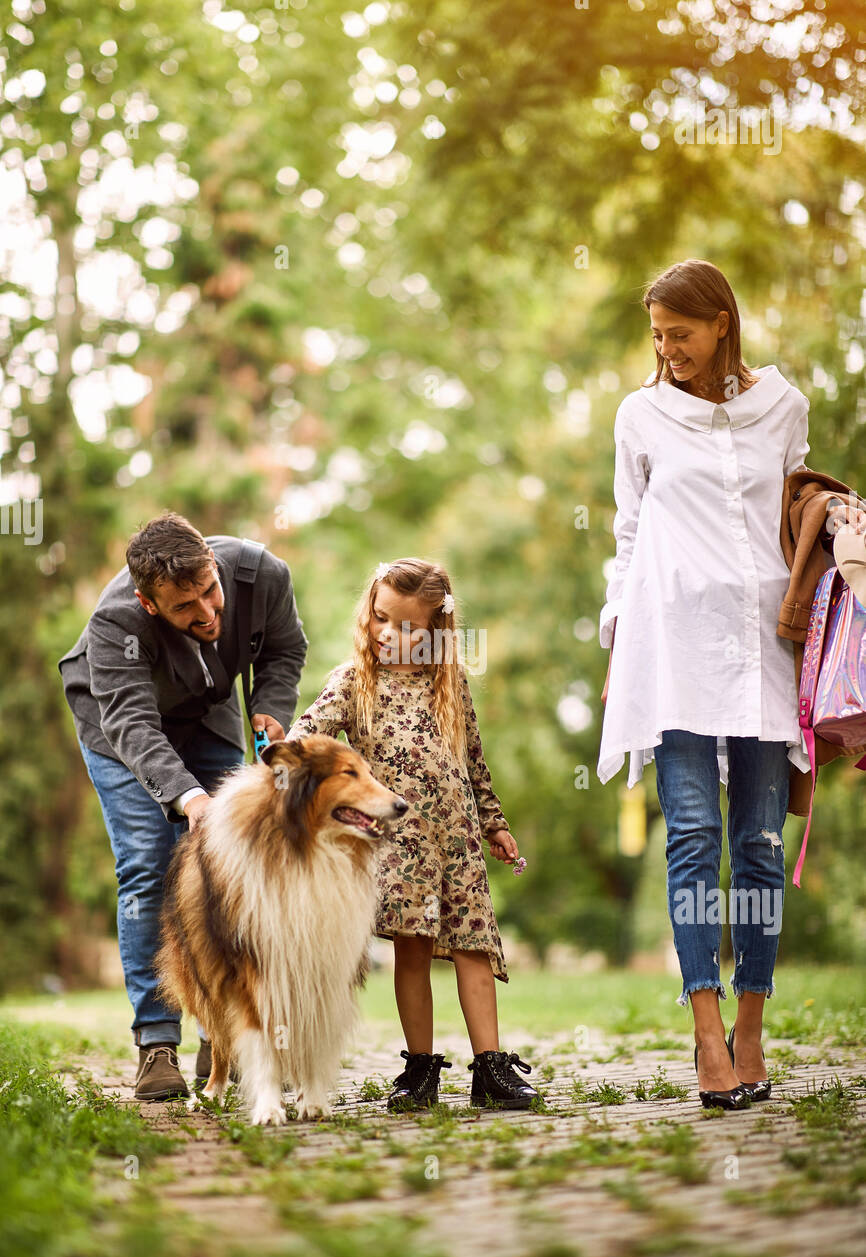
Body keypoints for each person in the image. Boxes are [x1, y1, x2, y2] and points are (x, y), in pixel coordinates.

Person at [596, 259, 866, 1110]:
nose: (668, 349)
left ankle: (752, 1029)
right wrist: (615, 643)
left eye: (681, 333)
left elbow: (793, 515)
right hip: (669, 645)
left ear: (722, 325)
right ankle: (706, 1036)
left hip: (762, 646)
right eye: (658, 336)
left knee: (755, 845)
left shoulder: (782, 406)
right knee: (689, 838)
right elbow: (628, 533)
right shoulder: (639, 415)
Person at [58, 512, 308, 1100]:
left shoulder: (262, 574)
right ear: (150, 605)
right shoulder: (116, 619)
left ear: (215, 566)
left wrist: (271, 708)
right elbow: (133, 723)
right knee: (149, 866)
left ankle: (220, 1036)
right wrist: (188, 797)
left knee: (231, 873)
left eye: (210, 591)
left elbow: (284, 649)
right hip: (120, 730)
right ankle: (156, 1042)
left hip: (208, 712)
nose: (206, 613)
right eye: (184, 607)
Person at [285, 557, 539, 1111]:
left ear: (435, 632)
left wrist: (494, 822)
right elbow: (310, 735)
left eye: (406, 627)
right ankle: (420, 1070)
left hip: (458, 841)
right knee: (413, 950)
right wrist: (282, 753)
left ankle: (491, 1068)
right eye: (380, 618)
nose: (387, 633)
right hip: (399, 843)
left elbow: (474, 761)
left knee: (473, 948)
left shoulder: (450, 682)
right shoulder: (353, 682)